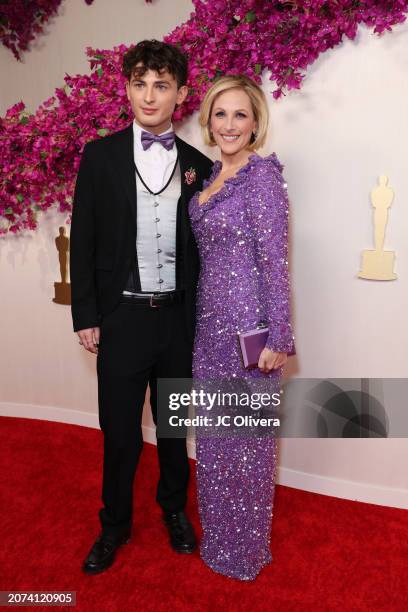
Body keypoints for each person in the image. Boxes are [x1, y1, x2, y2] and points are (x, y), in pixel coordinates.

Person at [70, 39, 213, 574]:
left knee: (175, 429)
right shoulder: (100, 155)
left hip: (177, 318)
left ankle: (174, 510)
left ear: (180, 93)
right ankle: (114, 525)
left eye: (161, 85)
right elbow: (82, 237)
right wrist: (86, 313)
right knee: (121, 431)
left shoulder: (200, 165)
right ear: (127, 87)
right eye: (139, 83)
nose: (149, 95)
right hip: (122, 318)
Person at [188, 74, 296, 580]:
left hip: (248, 330)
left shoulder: (262, 178)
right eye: (220, 114)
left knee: (247, 447)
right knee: (213, 442)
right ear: (208, 121)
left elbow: (275, 261)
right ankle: (219, 541)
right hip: (208, 329)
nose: (229, 124)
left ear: (255, 124)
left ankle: (244, 552)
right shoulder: (211, 175)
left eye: (240, 115)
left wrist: (280, 336)